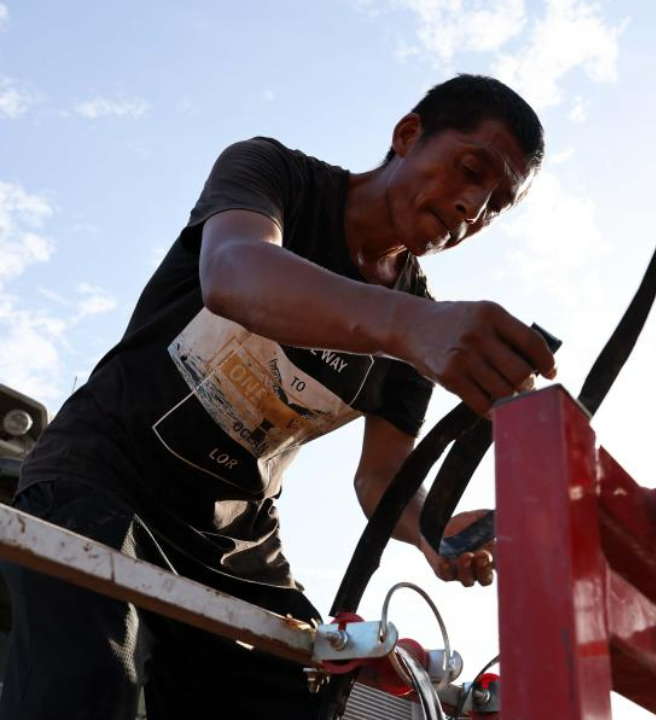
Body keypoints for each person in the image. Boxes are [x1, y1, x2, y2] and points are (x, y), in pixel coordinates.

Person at [0, 74, 556, 720]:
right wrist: (408, 326)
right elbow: (232, 272)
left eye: (495, 205)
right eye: (471, 171)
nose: (472, 208)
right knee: (87, 690)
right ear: (408, 136)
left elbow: (381, 480)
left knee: (320, 701)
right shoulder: (277, 178)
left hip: (235, 549)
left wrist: (433, 530)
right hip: (102, 478)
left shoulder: (422, 325)